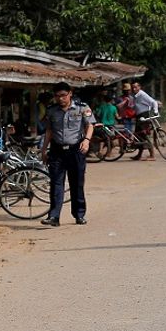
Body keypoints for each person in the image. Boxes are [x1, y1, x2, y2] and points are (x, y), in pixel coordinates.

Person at [40, 82, 96, 227]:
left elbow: (90, 125)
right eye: (57, 96)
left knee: (76, 183)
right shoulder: (51, 111)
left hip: (76, 150)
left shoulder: (82, 108)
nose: (60, 99)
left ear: (70, 93)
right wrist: (44, 149)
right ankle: (54, 216)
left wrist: (87, 140)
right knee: (56, 183)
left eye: (63, 95)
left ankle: (79, 215)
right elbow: (49, 131)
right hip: (57, 151)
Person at [131, 81, 159, 161]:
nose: (134, 89)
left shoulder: (142, 94)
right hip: (139, 116)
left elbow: (153, 102)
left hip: (144, 116)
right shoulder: (136, 96)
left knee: (144, 134)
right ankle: (139, 155)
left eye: (136, 87)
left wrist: (155, 111)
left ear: (139, 87)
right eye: (133, 87)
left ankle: (152, 155)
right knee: (138, 135)